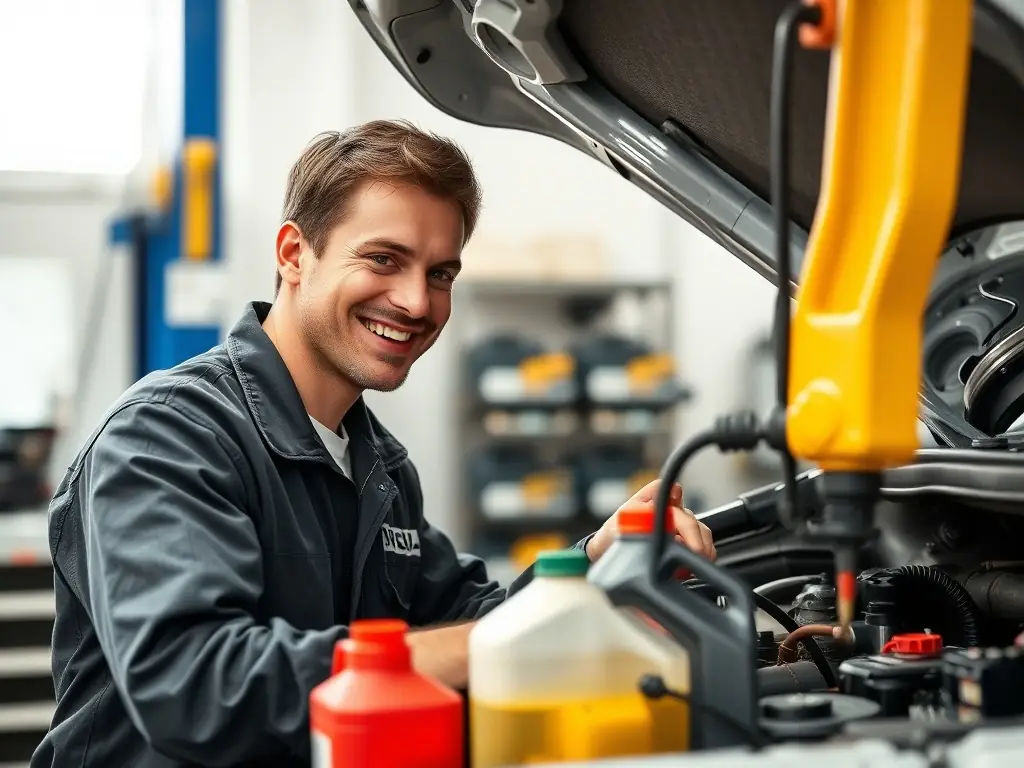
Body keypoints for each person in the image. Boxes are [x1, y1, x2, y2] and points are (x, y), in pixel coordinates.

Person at [32, 120, 716, 768]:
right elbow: (198, 685)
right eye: (384, 259)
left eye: (440, 273)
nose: (417, 302)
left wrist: (592, 564)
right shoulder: (169, 435)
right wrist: (486, 645)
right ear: (295, 254)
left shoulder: (377, 466)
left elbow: (472, 618)